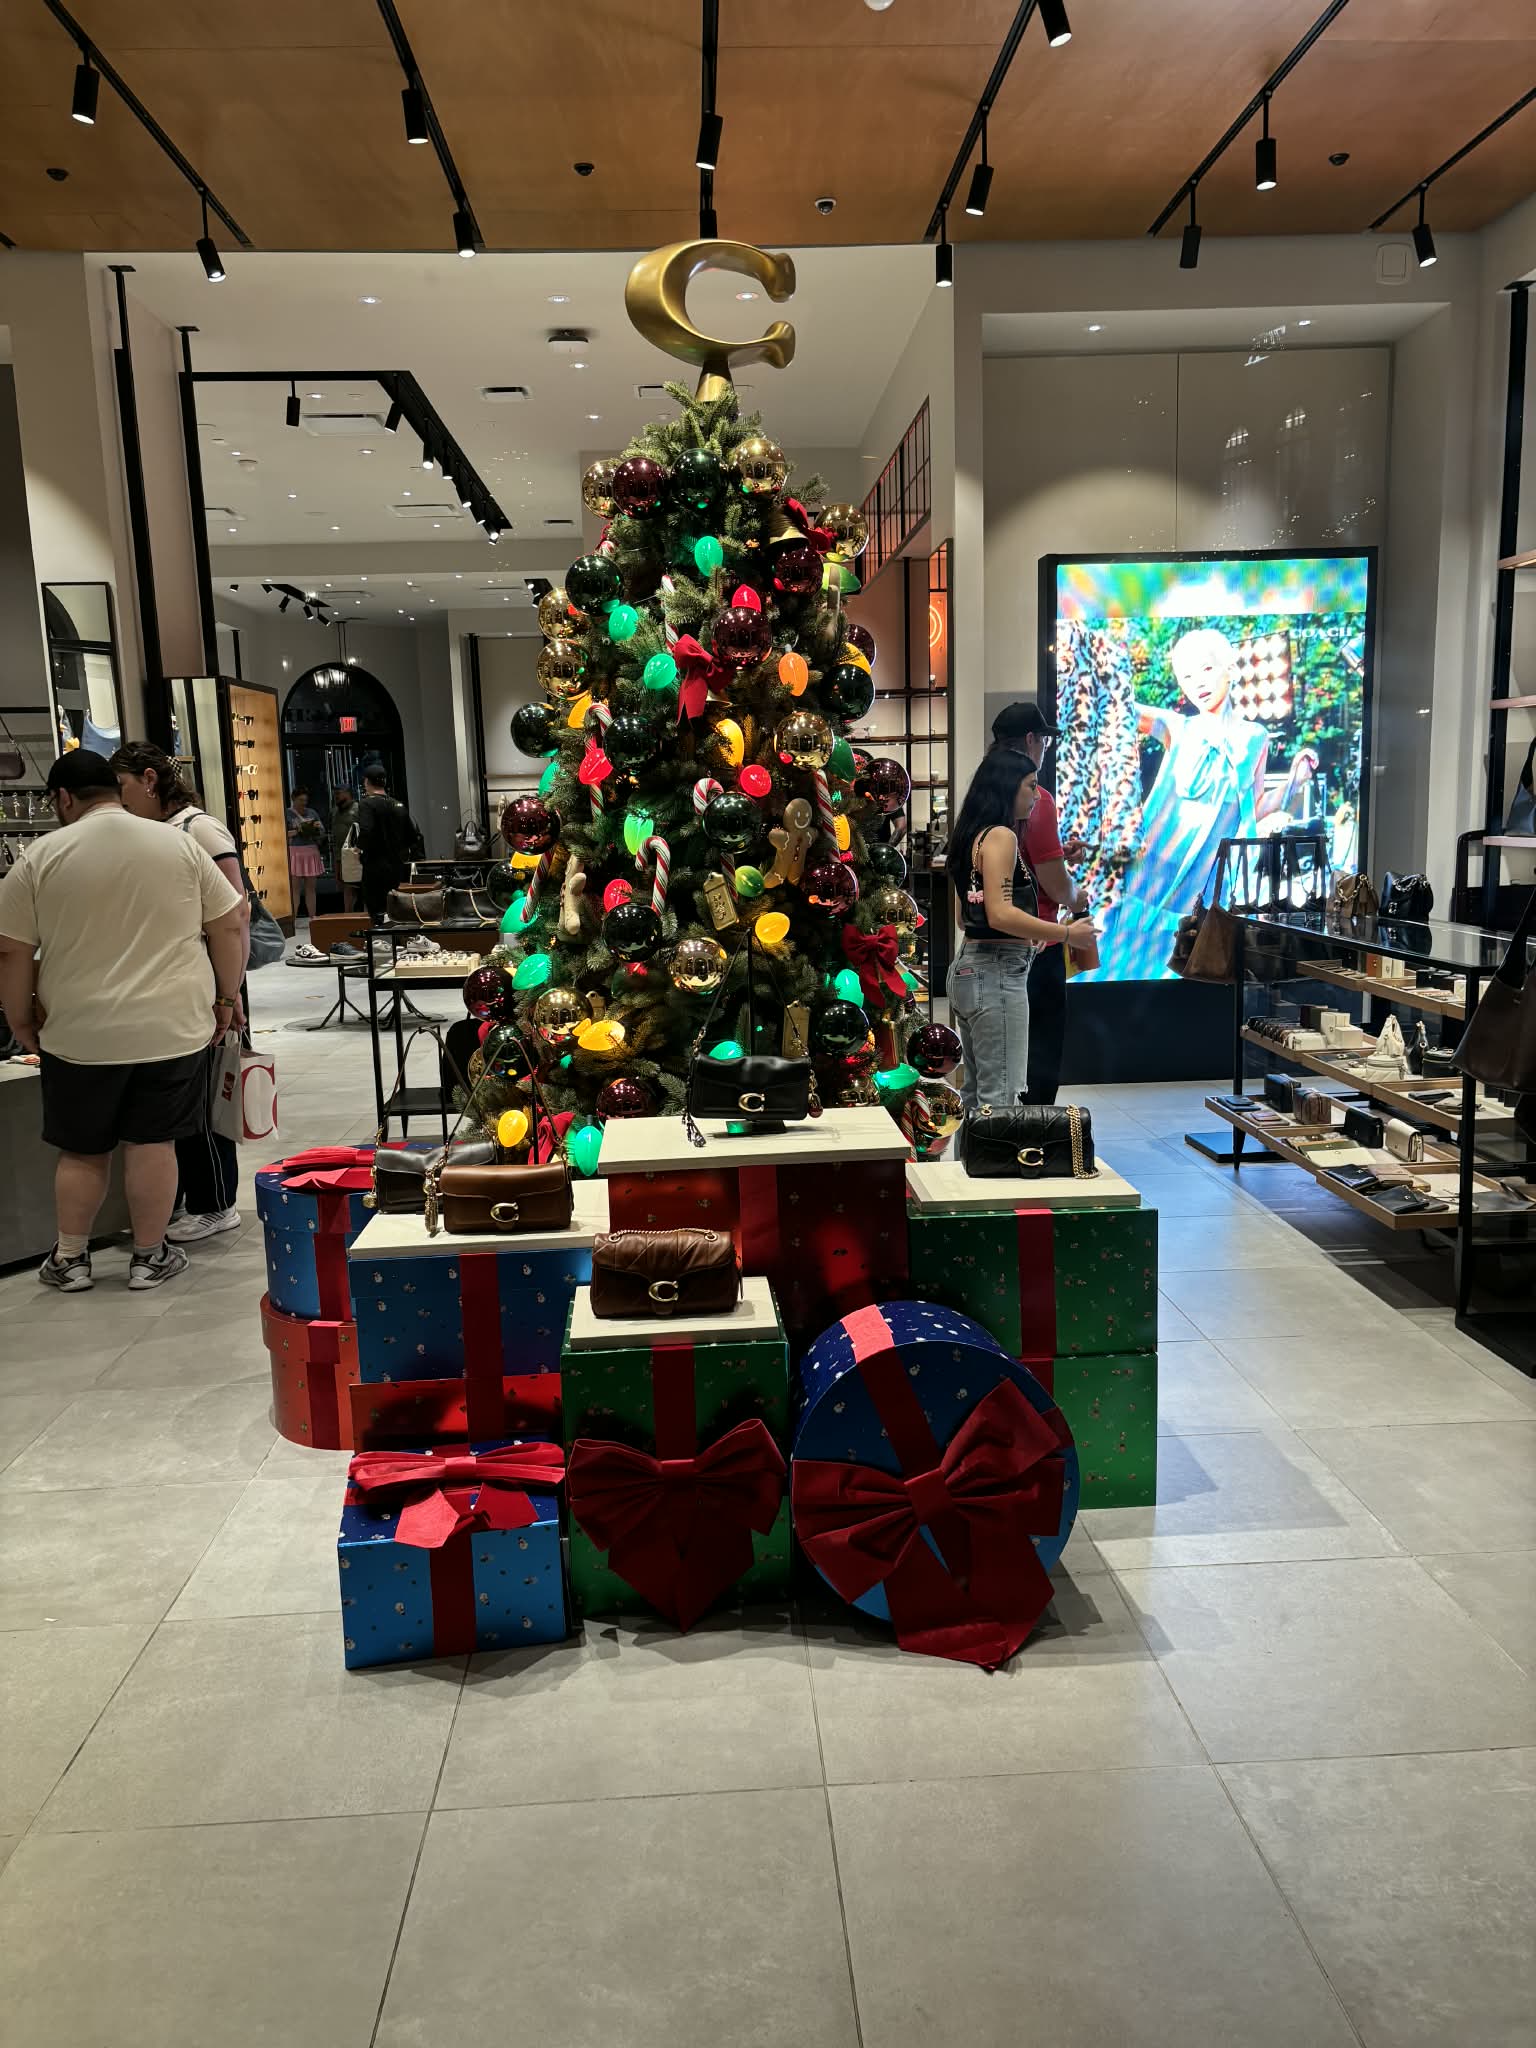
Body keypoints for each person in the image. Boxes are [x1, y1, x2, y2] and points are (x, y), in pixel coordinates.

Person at [0, 750, 245, 1292]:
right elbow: (231, 923)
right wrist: (226, 999)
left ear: (63, 799)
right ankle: (149, 1256)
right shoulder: (178, 844)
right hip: (171, 1024)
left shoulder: (41, 856)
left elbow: (11, 952)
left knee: (83, 1149)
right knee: (153, 1143)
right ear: (115, 787)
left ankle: (70, 1260)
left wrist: (21, 1020)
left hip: (78, 1030)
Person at [1095, 627, 1318, 981]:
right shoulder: (1178, 727)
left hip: (1202, 892)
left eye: (1206, 668)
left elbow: (1252, 809)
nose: (1197, 682)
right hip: (1151, 876)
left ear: (1229, 667)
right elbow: (1119, 709)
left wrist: (1294, 782)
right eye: (1186, 675)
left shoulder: (1253, 738)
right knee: (1126, 972)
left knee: (1188, 977)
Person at [112, 740, 251, 1242]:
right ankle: (187, 1199)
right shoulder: (160, 832)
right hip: (189, 979)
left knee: (208, 1099)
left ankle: (215, 1202)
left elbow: (236, 911)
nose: (119, 798)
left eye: (124, 785)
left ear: (149, 780)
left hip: (213, 980)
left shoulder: (198, 827)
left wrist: (227, 993)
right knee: (182, 1098)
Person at [945, 747, 1097, 1127]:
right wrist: (1065, 932)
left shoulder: (969, 837)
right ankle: (994, 1181)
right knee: (1002, 1095)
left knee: (978, 1093)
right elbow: (1000, 913)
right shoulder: (1001, 837)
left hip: (971, 969)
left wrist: (1027, 936)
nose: (1036, 795)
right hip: (996, 975)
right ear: (1008, 787)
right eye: (1031, 786)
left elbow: (967, 918)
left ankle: (972, 1176)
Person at [991, 701, 1090, 1105]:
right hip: (1038, 945)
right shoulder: (1039, 800)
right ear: (1031, 740)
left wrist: (1056, 854)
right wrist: (1075, 895)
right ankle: (1036, 1145)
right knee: (1042, 1058)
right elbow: (1054, 885)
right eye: (1044, 739)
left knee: (997, 1067)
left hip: (990, 947)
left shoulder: (985, 791)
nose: (1046, 748)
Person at [356, 768, 424, 925]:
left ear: (366, 781)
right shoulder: (397, 804)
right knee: (393, 905)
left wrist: (358, 848)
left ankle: (380, 942)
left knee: (375, 907)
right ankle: (397, 942)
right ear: (384, 782)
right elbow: (412, 835)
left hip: (374, 863)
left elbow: (366, 829)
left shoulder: (366, 804)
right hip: (395, 864)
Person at [286, 786, 326, 922]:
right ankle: (293, 918)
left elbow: (322, 831)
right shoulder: (287, 814)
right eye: (300, 800)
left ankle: (312, 917)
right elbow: (281, 835)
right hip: (295, 852)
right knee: (295, 888)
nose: (303, 803)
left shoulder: (312, 812)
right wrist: (298, 830)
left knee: (311, 887)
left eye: (305, 800)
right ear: (293, 799)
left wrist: (316, 828)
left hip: (311, 850)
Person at [329, 786, 358, 912]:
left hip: (354, 853)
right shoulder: (334, 811)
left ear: (348, 794)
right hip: (339, 854)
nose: (336, 796)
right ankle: (348, 915)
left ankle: (367, 916)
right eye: (335, 794)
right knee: (343, 886)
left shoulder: (358, 808)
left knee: (355, 885)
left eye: (338, 794)